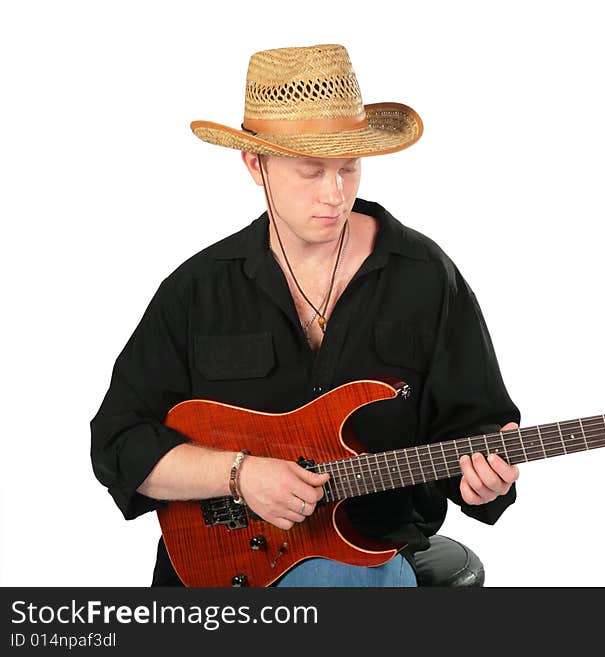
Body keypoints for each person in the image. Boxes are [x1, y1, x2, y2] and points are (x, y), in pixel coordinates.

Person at [90, 44, 521, 587]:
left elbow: (476, 424)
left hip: (373, 551)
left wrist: (485, 483)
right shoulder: (197, 290)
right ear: (255, 164)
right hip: (224, 565)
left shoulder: (424, 276)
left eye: (348, 168)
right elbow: (117, 442)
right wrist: (239, 475)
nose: (334, 194)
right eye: (311, 171)